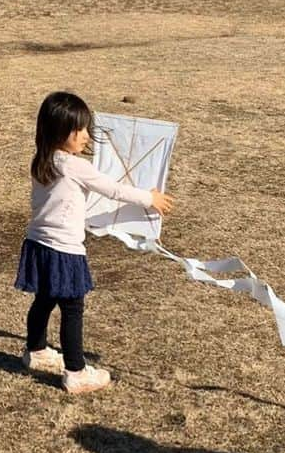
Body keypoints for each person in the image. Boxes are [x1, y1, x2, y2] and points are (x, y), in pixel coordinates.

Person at [15, 91, 173, 394]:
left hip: (39, 244)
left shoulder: (42, 159)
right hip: (64, 250)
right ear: (60, 132)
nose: (86, 136)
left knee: (45, 299)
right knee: (73, 308)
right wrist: (149, 199)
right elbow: (113, 190)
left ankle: (35, 351)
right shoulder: (74, 166)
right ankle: (76, 371)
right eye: (80, 130)